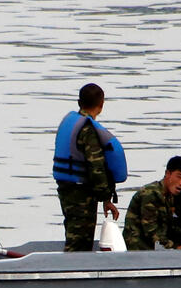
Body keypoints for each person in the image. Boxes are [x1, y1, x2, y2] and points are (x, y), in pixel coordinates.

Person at [53, 83, 128, 252]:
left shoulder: (70, 122)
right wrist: (106, 197)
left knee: (72, 232)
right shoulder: (87, 130)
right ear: (101, 105)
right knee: (80, 242)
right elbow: (97, 168)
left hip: (66, 188)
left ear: (79, 102)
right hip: (81, 194)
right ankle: (71, 274)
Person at [123, 156, 181, 251]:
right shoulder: (151, 194)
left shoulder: (168, 195)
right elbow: (151, 232)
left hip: (153, 247)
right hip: (138, 249)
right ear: (168, 174)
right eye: (179, 177)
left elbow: (170, 227)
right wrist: (175, 248)